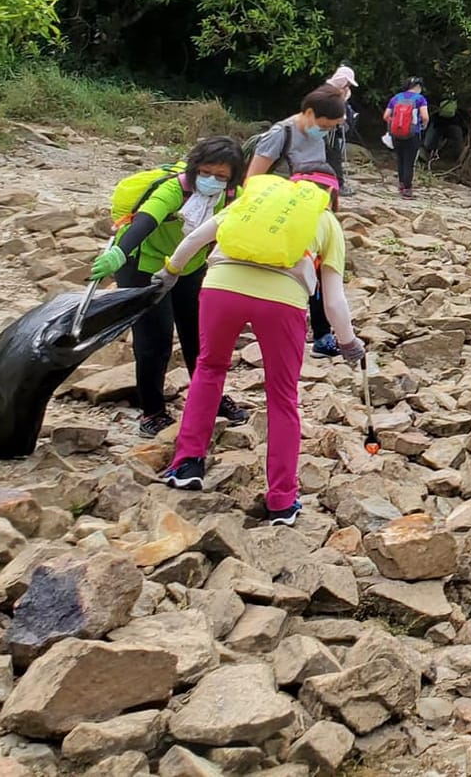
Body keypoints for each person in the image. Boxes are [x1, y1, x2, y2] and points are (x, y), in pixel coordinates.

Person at [161, 172, 363, 524]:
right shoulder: (326, 220)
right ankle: (282, 501)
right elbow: (333, 300)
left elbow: (195, 237)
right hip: (282, 301)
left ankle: (187, 464)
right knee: (282, 397)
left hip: (222, 287)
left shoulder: (254, 201)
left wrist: (171, 271)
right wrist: (348, 342)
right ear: (330, 195)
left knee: (209, 370)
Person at [91, 138, 249, 438]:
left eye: (221, 176)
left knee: (199, 337)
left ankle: (210, 398)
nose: (212, 180)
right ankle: (152, 411)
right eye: (205, 172)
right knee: (155, 341)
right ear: (193, 169)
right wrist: (119, 253)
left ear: (232, 178)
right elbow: (146, 220)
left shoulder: (232, 196)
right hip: (144, 267)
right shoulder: (174, 189)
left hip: (189, 266)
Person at [246, 87, 347, 182]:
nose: (326, 131)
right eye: (324, 126)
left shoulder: (321, 136)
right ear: (309, 113)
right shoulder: (280, 135)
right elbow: (252, 180)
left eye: (331, 127)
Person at [384, 78, 430, 199]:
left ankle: (401, 184)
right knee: (409, 162)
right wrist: (422, 126)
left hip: (396, 134)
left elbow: (386, 116)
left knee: (400, 159)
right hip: (412, 134)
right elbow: (425, 117)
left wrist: (395, 125)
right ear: (418, 87)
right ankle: (407, 189)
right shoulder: (420, 99)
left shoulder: (396, 98)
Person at [323, 66, 359, 193]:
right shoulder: (331, 92)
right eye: (347, 83)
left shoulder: (340, 91)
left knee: (334, 156)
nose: (348, 86)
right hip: (326, 130)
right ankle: (336, 185)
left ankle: (336, 184)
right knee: (332, 157)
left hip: (332, 130)